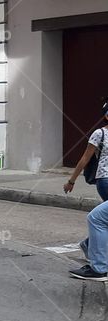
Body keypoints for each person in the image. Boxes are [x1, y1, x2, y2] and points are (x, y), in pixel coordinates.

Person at [64, 99, 108, 279]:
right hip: (106, 180)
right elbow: (85, 158)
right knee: (100, 218)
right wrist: (71, 180)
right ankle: (94, 253)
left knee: (100, 219)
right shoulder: (100, 134)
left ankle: (91, 248)